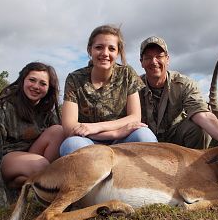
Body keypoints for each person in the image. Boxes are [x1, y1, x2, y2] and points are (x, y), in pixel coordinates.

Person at [60, 25, 157, 156]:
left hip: (123, 138)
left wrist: (96, 127)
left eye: (111, 48)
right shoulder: (74, 79)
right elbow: (69, 128)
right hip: (88, 140)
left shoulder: (127, 74)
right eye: (99, 47)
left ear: (117, 53)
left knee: (144, 135)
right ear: (90, 50)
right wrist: (113, 132)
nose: (105, 53)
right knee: (72, 144)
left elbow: (135, 117)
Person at [0, 62, 64, 207]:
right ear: (22, 80)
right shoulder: (2, 107)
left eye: (42, 83)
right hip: (8, 159)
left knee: (59, 130)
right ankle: (18, 185)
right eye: (32, 80)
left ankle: (28, 185)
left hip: (32, 156)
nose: (36, 86)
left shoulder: (46, 111)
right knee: (41, 165)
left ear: (48, 88)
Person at [139, 36, 218, 149]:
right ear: (141, 62)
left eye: (159, 56)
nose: (154, 62)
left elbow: (202, 114)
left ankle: (195, 165)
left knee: (201, 128)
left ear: (167, 59)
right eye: (148, 57)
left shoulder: (184, 84)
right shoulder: (134, 86)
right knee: (139, 134)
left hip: (176, 139)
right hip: (145, 142)